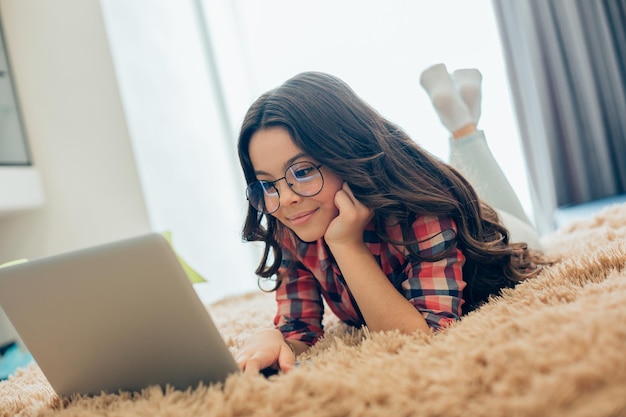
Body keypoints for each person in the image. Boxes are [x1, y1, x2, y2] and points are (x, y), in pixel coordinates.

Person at [235, 67, 546, 375]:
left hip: (500, 236)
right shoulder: (293, 224)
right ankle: (461, 115)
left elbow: (420, 337)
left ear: (345, 152)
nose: (286, 198)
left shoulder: (422, 209)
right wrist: (270, 338)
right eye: (266, 185)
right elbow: (298, 329)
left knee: (509, 215)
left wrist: (346, 244)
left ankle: (463, 127)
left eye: (301, 172)